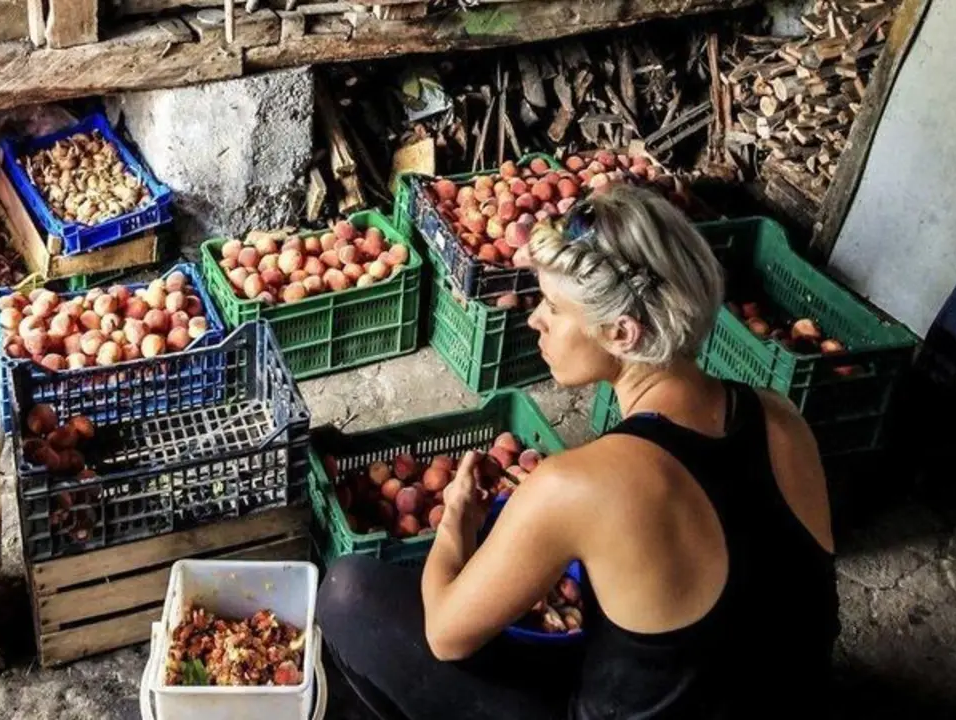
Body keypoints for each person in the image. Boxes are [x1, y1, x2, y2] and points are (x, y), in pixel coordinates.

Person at [316, 184, 840, 720]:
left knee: (350, 594)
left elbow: (447, 634)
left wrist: (456, 519)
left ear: (621, 331)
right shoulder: (780, 415)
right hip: (787, 699)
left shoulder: (580, 485)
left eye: (553, 307)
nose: (533, 318)